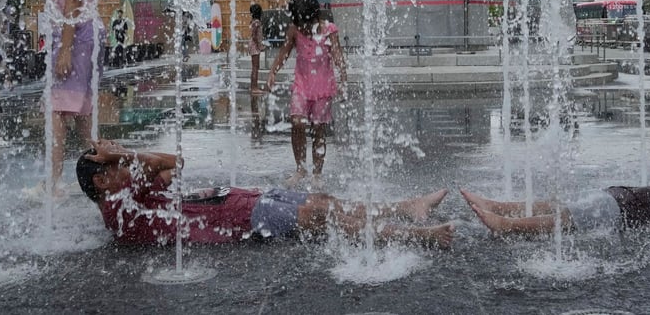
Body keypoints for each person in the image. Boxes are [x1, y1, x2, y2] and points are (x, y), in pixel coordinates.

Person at [75, 139, 452, 248]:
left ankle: (407, 207)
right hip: (243, 219)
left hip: (245, 199)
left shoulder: (132, 195)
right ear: (101, 183)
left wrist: (128, 158)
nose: (123, 168)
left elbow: (175, 163)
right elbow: (161, 165)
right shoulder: (119, 214)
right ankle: (419, 237)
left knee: (326, 203)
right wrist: (125, 154)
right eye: (114, 168)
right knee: (325, 217)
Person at [21, 0, 102, 195]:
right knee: (82, 120)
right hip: (75, 35)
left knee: (56, 110)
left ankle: (52, 184)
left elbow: (73, 1)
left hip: (77, 37)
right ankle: (114, 176)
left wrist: (65, 48)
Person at [462, 160, 650, 235]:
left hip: (622, 210)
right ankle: (498, 207)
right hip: (619, 202)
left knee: (563, 218)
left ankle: (507, 226)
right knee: (558, 206)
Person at [266, 0, 347, 185]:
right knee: (297, 122)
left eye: (303, 21)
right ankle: (300, 169)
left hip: (323, 87)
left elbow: (337, 56)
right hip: (301, 85)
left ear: (313, 17)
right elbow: (284, 53)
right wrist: (272, 72)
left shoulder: (329, 30)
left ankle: (317, 173)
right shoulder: (295, 31)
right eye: (298, 21)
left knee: (319, 129)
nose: (302, 26)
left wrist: (344, 79)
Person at [247, 3, 266, 131]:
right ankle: (254, 87)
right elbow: (255, 35)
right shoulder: (257, 22)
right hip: (254, 45)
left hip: (253, 44)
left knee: (255, 67)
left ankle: (254, 86)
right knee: (255, 67)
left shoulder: (254, 21)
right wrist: (259, 45)